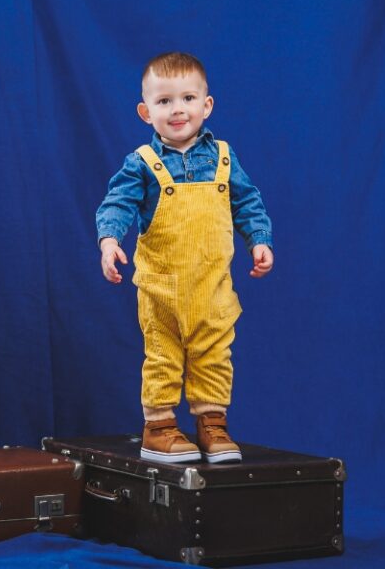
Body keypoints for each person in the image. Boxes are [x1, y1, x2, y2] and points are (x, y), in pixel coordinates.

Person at [95, 52, 273, 464]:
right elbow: (117, 204)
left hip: (212, 289)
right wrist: (109, 240)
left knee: (214, 357)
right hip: (162, 291)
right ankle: (159, 427)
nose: (178, 110)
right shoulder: (141, 164)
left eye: (188, 98)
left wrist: (259, 240)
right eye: (164, 101)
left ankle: (212, 423)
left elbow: (247, 203)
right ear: (145, 112)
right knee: (163, 358)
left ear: (206, 105)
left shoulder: (225, 157)